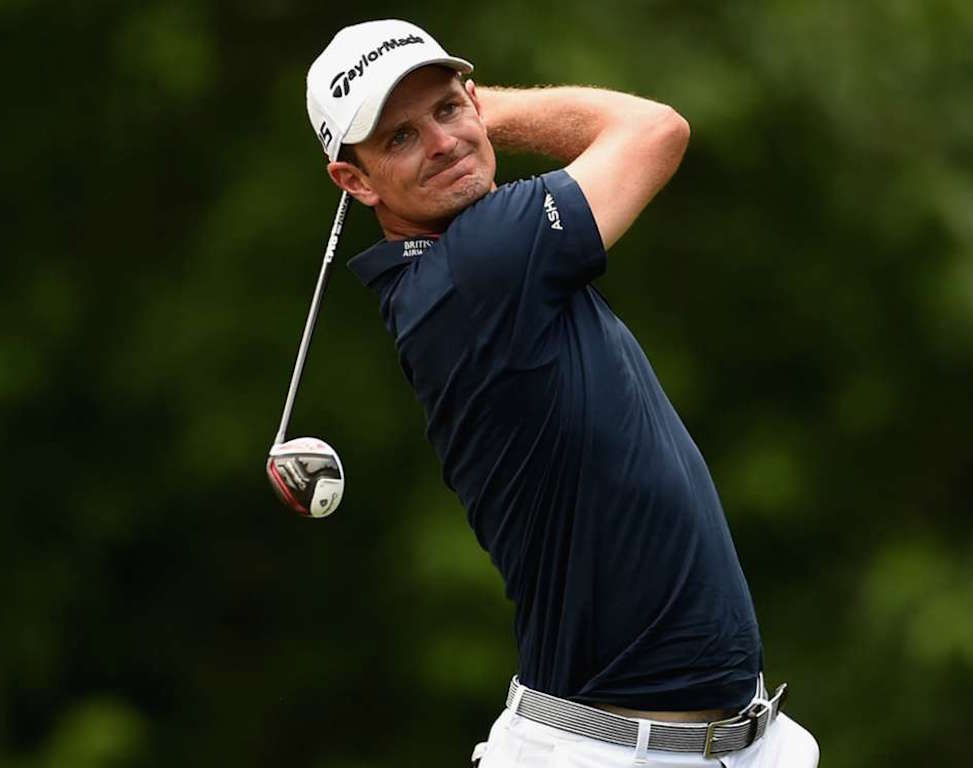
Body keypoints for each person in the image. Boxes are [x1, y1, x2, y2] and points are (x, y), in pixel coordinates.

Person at [305, 19, 819, 768]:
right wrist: (487, 111)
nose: (443, 142)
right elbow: (654, 130)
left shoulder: (464, 265)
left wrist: (460, 116)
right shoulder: (482, 262)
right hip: (605, 753)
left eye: (447, 109)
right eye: (401, 137)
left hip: (727, 742)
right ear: (355, 181)